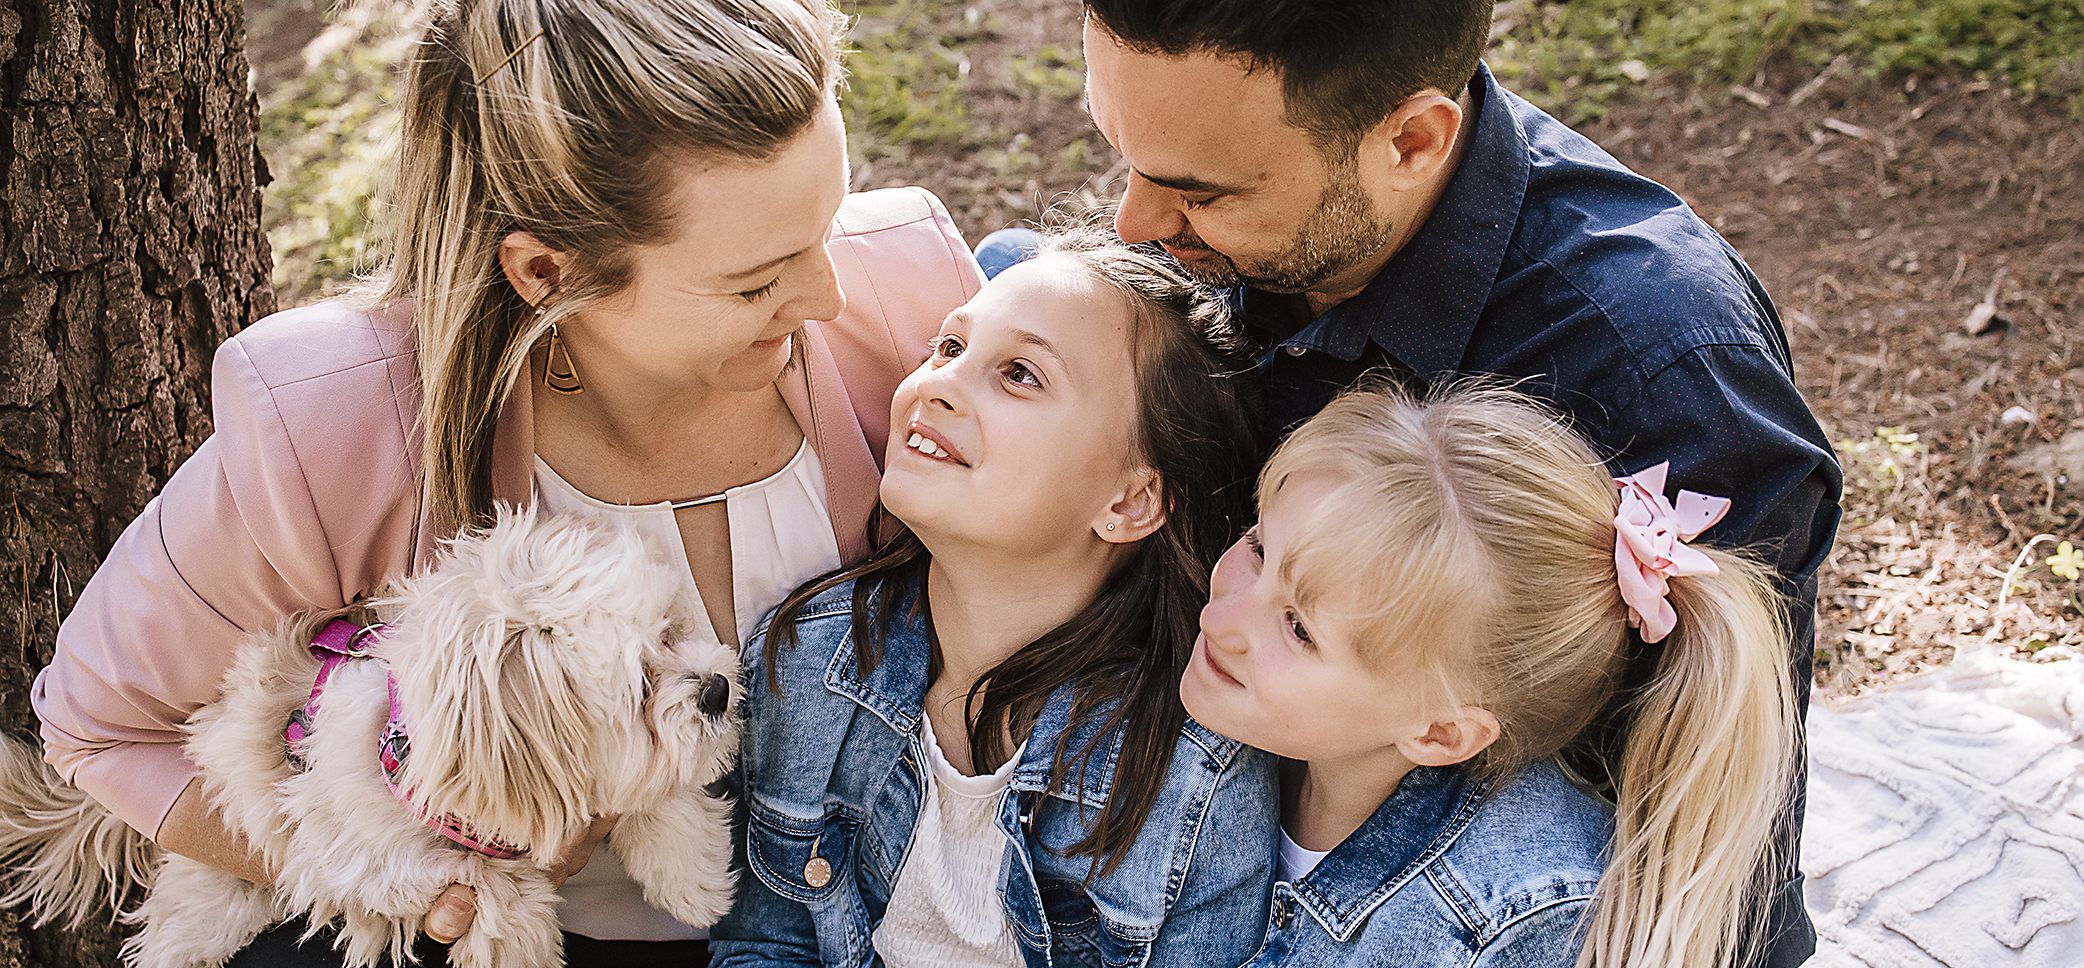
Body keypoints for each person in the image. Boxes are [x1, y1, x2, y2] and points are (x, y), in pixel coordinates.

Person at [30, 0, 984, 963]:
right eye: (753, 282)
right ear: (545, 271)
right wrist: (405, 874)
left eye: (828, 220)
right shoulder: (336, 428)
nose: (827, 296)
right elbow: (101, 730)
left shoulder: (918, 314)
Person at [1057, 2, 1841, 962]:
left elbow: (1712, 845)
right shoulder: (1240, 195)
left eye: (1202, 192)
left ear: (1414, 139)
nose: (1134, 221)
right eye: (1117, 146)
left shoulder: (1661, 378)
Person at [708, 231, 1274, 968]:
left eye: (1019, 374)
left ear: (1130, 501)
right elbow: (763, 941)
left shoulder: (1194, 779)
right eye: (948, 348)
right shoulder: (807, 662)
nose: (938, 382)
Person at [1188, 382, 1797, 968]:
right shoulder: (1201, 735)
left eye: (1299, 628)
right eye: (1259, 548)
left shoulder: (1512, 920)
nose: (1219, 617)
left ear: (1440, 735)